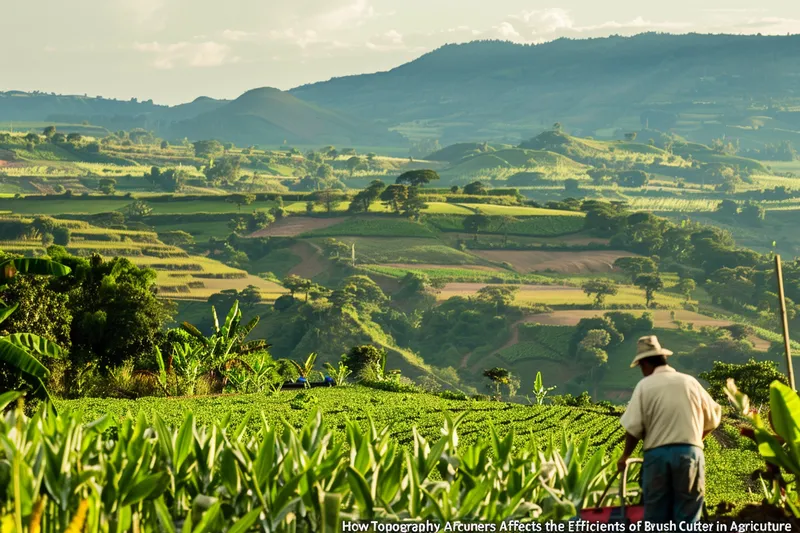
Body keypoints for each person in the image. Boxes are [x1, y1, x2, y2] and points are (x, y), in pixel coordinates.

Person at [618, 335, 721, 525]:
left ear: (646, 363)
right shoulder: (689, 382)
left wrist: (625, 456)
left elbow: (633, 426)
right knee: (688, 516)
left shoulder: (645, 386)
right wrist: (695, 440)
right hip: (690, 453)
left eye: (641, 367)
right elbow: (713, 418)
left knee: (655, 517)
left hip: (657, 456)